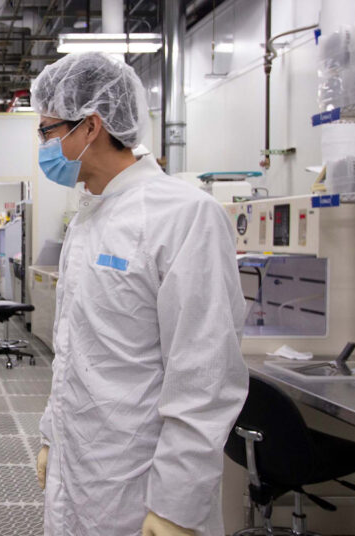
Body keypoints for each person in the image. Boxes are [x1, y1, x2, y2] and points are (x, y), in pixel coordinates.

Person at [29, 51, 248, 536]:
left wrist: (177, 506)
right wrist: (51, 435)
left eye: (47, 130)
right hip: (80, 467)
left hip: (141, 483)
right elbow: (74, 350)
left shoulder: (183, 216)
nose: (41, 144)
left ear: (90, 127)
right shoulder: (90, 217)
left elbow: (204, 375)